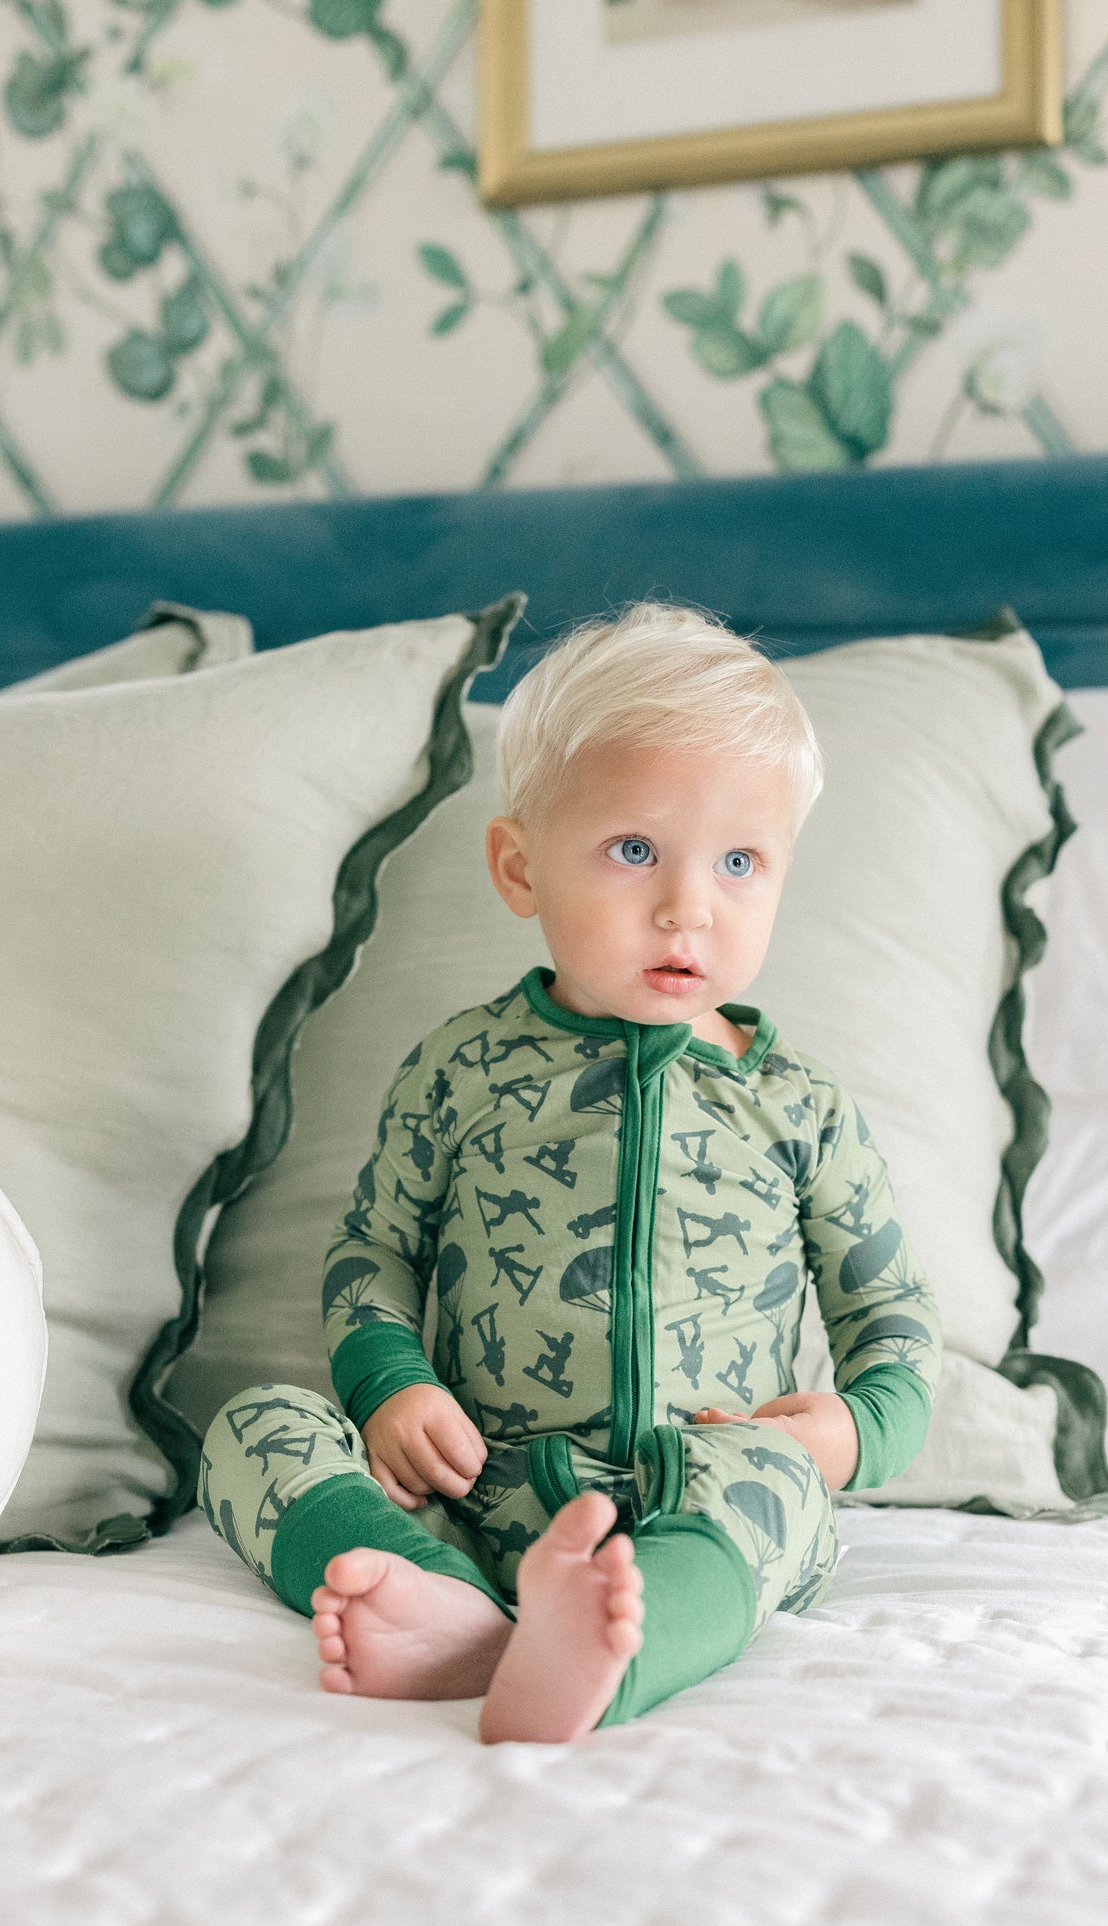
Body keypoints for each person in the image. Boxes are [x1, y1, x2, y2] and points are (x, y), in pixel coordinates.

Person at [199, 603, 942, 1742]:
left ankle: (602, 1661)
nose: (686, 903)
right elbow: (374, 1252)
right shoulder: (460, 1069)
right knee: (253, 1426)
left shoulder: (797, 1103)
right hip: (473, 1487)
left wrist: (851, 1431)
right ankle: (446, 1609)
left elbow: (889, 1313)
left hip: (706, 1488)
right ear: (518, 866)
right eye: (634, 848)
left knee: (780, 1497)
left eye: (738, 860)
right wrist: (390, 1386)